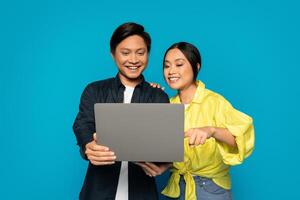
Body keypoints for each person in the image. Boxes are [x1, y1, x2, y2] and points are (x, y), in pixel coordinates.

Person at [145, 42, 255, 200]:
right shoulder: (167, 105)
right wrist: (149, 95)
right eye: (167, 66)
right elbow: (158, 147)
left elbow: (240, 140)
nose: (171, 71)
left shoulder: (215, 102)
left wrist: (212, 130)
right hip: (179, 187)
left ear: (196, 67)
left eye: (179, 64)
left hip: (211, 188)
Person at [72, 22, 169, 200]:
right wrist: (88, 146)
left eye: (140, 53)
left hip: (142, 192)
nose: (133, 60)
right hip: (98, 192)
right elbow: (83, 124)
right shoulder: (94, 90)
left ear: (148, 54)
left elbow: (163, 145)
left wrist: (165, 161)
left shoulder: (158, 97)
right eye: (125, 53)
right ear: (113, 54)